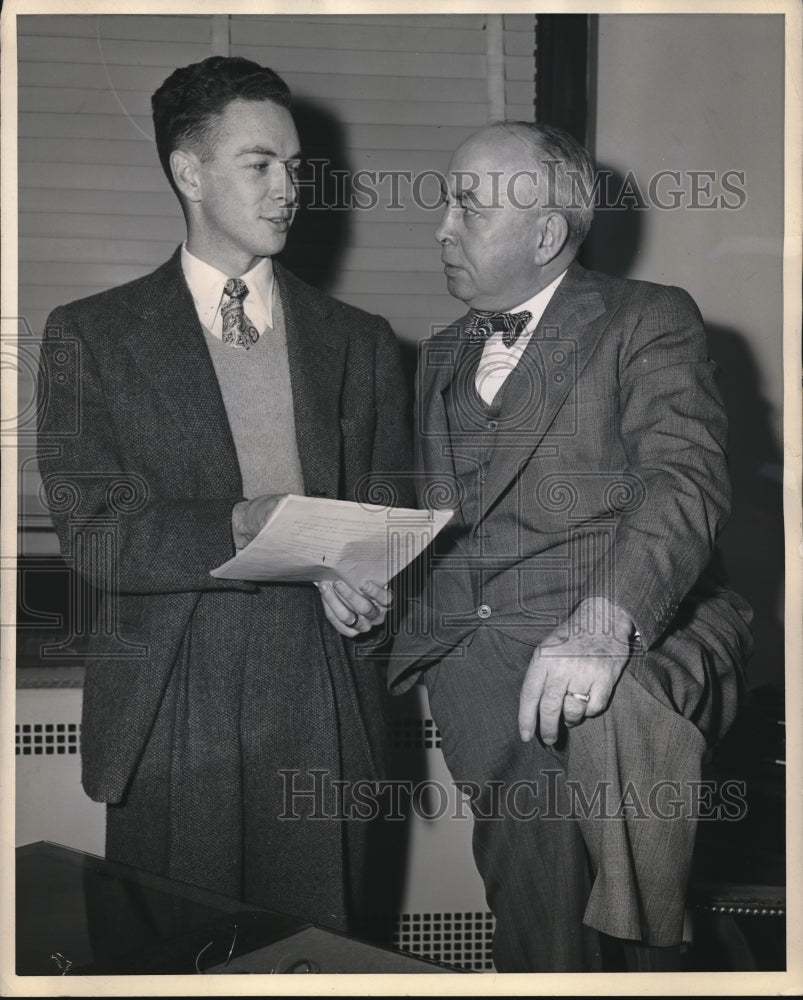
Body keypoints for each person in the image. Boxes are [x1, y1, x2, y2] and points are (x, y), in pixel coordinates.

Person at [36, 56, 413, 936]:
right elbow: (95, 534)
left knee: (318, 960)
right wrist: (242, 520)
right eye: (260, 165)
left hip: (320, 694)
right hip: (173, 700)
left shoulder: (357, 341)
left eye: (294, 166)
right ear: (189, 172)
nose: (289, 188)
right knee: (174, 955)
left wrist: (369, 592)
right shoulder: (87, 335)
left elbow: (388, 519)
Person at [389, 121, 753, 972]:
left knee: (638, 942)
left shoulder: (647, 319)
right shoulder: (439, 353)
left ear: (544, 234)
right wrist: (368, 577)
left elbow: (683, 480)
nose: (440, 226)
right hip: (478, 677)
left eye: (466, 208)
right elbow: (445, 518)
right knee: (537, 932)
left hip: (605, 660)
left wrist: (605, 621)